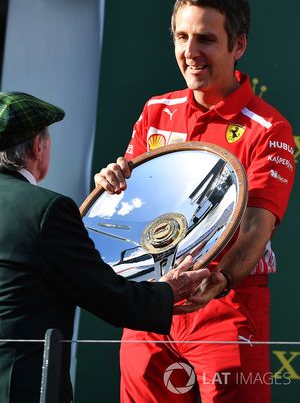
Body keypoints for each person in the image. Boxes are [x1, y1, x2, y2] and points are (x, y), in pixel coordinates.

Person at [94, 0, 296, 403]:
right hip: (153, 305)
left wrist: (219, 281)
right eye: (182, 37)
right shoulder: (156, 110)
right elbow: (132, 206)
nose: (190, 53)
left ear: (238, 45)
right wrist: (111, 186)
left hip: (227, 307)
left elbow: (257, 230)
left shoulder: (269, 129)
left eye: (205, 39)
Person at [0, 91, 211, 403]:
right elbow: (105, 294)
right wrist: (167, 291)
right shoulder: (45, 210)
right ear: (36, 146)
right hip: (19, 388)